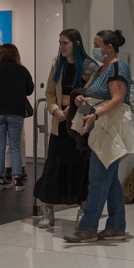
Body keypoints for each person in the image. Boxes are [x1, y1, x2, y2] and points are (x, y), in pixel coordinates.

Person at [65, 29, 134, 244]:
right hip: (101, 129)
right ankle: (116, 226)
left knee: (97, 179)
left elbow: (117, 98)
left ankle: (88, 229)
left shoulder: (118, 67)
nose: (95, 49)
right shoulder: (102, 70)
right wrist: (82, 100)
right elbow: (97, 94)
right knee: (111, 180)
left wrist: (96, 113)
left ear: (109, 47)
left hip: (110, 130)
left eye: (98, 45)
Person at [33, 29, 99, 229]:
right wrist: (54, 110)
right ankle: (48, 211)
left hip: (79, 125)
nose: (61, 46)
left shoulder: (90, 67)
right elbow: (50, 92)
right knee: (53, 166)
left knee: (82, 168)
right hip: (59, 123)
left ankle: (83, 211)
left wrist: (75, 108)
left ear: (76, 44)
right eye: (60, 42)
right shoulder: (57, 63)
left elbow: (93, 97)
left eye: (65, 43)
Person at [0, 43, 34, 191]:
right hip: (16, 112)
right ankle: (17, 180)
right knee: (15, 146)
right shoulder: (22, 70)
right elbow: (29, 90)